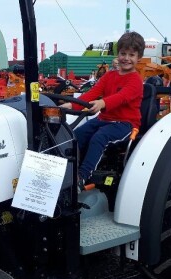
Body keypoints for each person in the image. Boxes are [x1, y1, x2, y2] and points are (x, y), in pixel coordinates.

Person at [61, 31, 144, 189]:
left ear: (139, 57)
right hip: (104, 120)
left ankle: (82, 176)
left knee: (100, 137)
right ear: (118, 54)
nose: (126, 58)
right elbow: (92, 93)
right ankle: (68, 171)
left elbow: (121, 97)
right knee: (76, 135)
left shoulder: (136, 81)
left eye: (131, 55)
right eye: (123, 53)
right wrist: (72, 105)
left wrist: (102, 103)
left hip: (125, 124)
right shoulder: (109, 76)